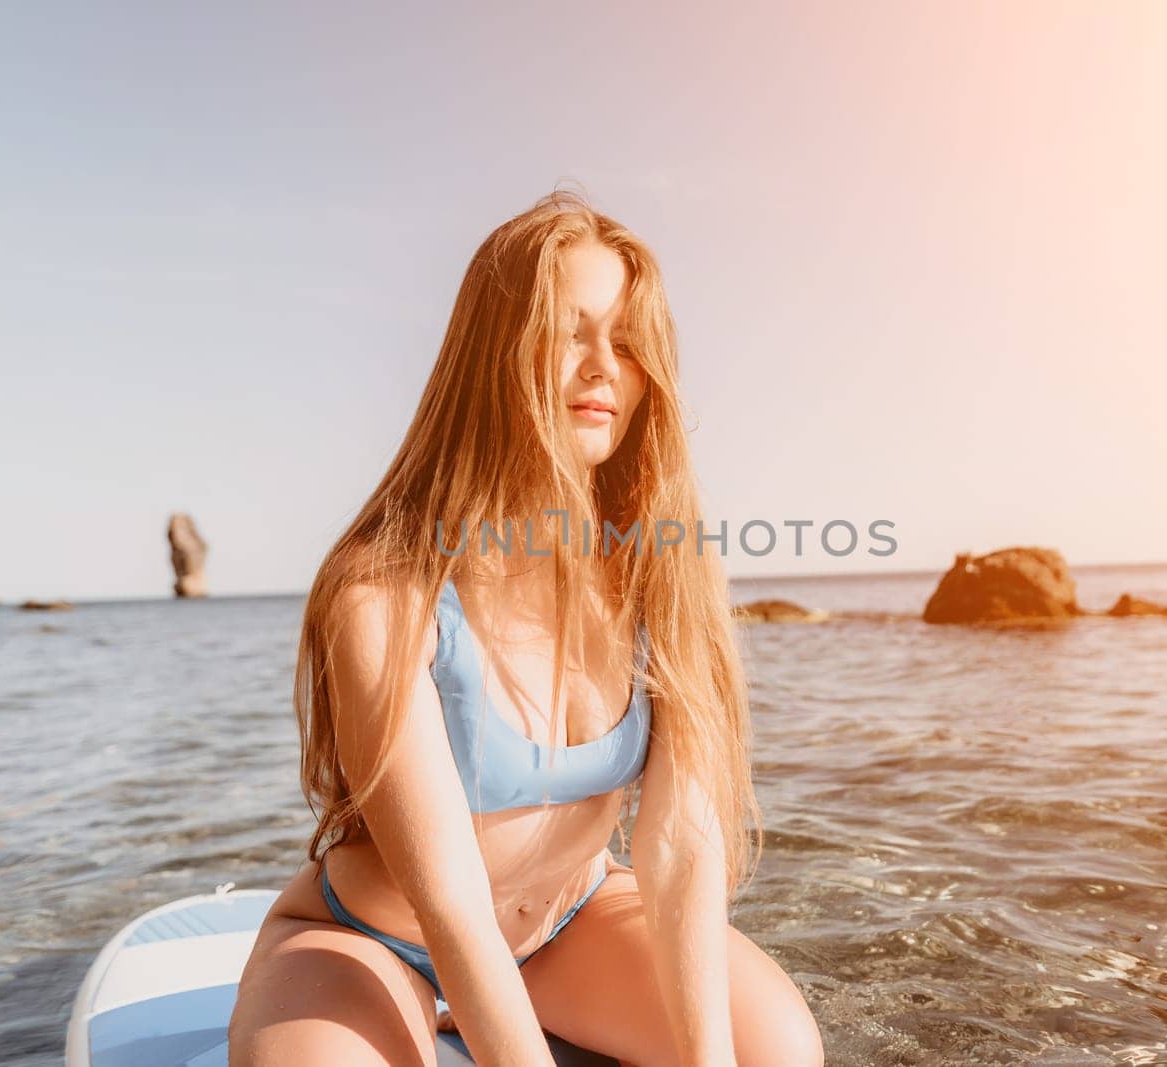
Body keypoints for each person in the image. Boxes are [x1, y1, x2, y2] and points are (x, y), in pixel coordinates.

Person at [228, 188, 824, 1066]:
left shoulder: (665, 568)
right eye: (566, 330)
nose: (602, 366)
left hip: (568, 926)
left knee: (778, 1050)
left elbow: (681, 851)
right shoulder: (384, 589)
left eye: (626, 340)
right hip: (379, 941)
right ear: (495, 351)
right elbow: (452, 905)